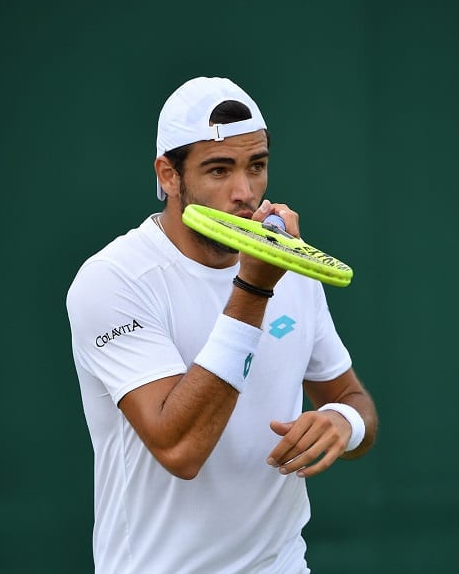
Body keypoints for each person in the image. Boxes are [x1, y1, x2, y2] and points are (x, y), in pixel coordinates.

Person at [65, 76, 378, 573]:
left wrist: (346, 423)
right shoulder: (112, 281)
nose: (245, 192)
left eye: (257, 166)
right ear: (168, 175)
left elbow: (353, 400)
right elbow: (180, 448)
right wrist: (254, 288)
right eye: (218, 170)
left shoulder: (289, 269)